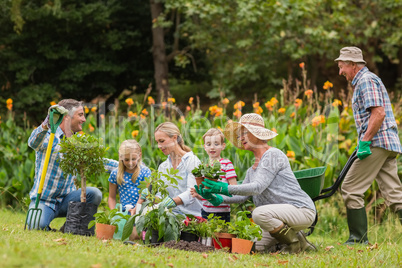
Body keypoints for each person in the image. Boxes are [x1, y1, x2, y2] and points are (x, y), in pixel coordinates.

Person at [196, 113, 317, 254]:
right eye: (239, 135)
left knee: (258, 214)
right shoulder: (251, 171)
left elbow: (258, 187)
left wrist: (224, 187)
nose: (240, 138)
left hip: (300, 209)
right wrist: (218, 199)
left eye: (244, 133)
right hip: (277, 215)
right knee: (255, 247)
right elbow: (242, 197)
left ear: (257, 134)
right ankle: (299, 238)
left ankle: (293, 245)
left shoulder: (272, 155)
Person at [335, 47, 402, 244]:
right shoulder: (365, 80)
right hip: (385, 143)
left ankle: (358, 239)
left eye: (342, 67)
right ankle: (358, 238)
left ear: (353, 65)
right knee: (394, 194)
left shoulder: (365, 81)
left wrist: (364, 141)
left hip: (377, 142)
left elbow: (378, 113)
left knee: (350, 187)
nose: (340, 72)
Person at [27, 99, 118, 230]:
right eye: (80, 115)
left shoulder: (78, 141)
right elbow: (33, 143)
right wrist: (46, 124)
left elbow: (98, 161)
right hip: (44, 201)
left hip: (69, 201)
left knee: (94, 193)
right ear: (67, 118)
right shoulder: (49, 136)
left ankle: (70, 226)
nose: (84, 119)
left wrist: (125, 165)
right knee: (36, 226)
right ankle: (47, 227)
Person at [153, 122, 202, 216]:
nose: (159, 146)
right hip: (169, 218)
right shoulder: (163, 167)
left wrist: (171, 202)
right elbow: (161, 195)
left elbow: (191, 192)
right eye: (157, 142)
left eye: (162, 141)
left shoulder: (192, 161)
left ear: (174, 138)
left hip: (191, 218)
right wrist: (149, 198)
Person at [190, 128, 237, 222]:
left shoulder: (226, 164)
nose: (212, 147)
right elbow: (206, 194)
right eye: (208, 144)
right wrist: (198, 194)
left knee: (221, 235)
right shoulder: (204, 168)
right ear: (204, 147)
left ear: (223, 146)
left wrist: (220, 191)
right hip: (206, 210)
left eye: (216, 144)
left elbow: (234, 188)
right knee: (206, 235)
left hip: (222, 211)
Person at [108, 140, 151, 215]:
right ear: (120, 156)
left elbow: (143, 195)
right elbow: (111, 197)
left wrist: (136, 209)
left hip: (141, 211)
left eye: (133, 159)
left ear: (139, 155)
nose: (130, 163)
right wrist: (114, 213)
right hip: (124, 212)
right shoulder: (115, 173)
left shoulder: (145, 172)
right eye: (126, 160)